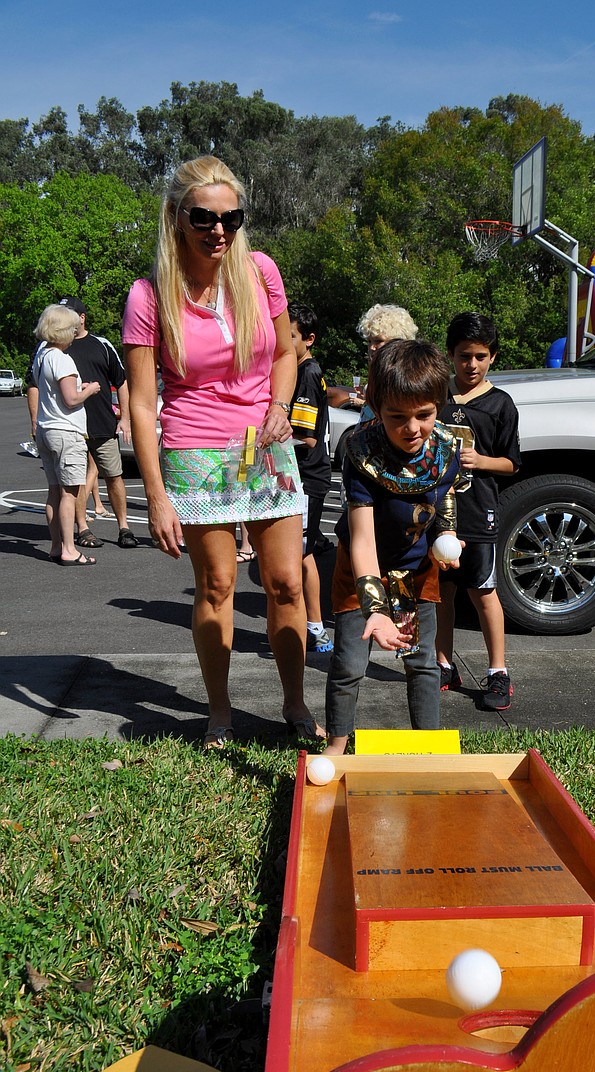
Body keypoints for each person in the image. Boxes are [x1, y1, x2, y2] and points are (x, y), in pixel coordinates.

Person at [122, 155, 322, 748]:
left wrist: (279, 410)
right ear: (176, 217)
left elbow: (286, 354)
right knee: (216, 585)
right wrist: (154, 495)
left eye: (231, 217)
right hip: (195, 447)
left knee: (286, 581)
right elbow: (139, 403)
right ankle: (219, 712)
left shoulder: (260, 272)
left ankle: (294, 703)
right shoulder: (150, 294)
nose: (219, 230)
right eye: (203, 217)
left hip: (265, 442)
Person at [324, 339, 460, 756]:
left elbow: (445, 494)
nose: (412, 428)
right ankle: (337, 744)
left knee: (422, 663)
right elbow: (362, 538)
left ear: (439, 405)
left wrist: (446, 534)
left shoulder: (445, 451)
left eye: (424, 415)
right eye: (397, 417)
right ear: (376, 407)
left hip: (417, 569)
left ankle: (431, 748)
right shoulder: (361, 452)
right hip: (361, 569)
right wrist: (377, 611)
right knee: (349, 663)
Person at [435, 312, 521, 711]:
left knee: (483, 591)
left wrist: (479, 461)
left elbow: (512, 463)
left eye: (481, 357)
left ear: (493, 357)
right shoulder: (436, 396)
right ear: (450, 355)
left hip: (478, 511)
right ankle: (442, 664)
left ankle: (498, 671)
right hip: (435, 512)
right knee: (440, 593)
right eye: (464, 356)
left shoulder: (500, 404)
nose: (472, 365)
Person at [27, 297, 139, 550]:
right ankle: (80, 531)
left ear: (81, 318)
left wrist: (126, 419)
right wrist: (35, 421)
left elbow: (121, 381)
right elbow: (38, 387)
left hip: (100, 424)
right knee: (72, 485)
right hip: (69, 428)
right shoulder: (52, 351)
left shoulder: (99, 344)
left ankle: (124, 528)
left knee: (112, 476)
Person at [30, 304, 103, 565]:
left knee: (53, 490)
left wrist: (77, 388)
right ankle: (69, 550)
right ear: (62, 330)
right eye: (72, 328)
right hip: (66, 431)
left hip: (46, 429)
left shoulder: (42, 355)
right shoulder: (62, 358)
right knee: (69, 493)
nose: (75, 332)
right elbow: (71, 399)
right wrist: (91, 389)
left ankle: (55, 546)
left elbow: (53, 392)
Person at [288, 302, 333, 653]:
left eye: (290, 337)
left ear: (309, 339)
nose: (284, 343)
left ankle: (316, 627)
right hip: (297, 477)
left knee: (303, 554)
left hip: (307, 478)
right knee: (296, 554)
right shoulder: (295, 369)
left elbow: (307, 438)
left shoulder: (306, 372)